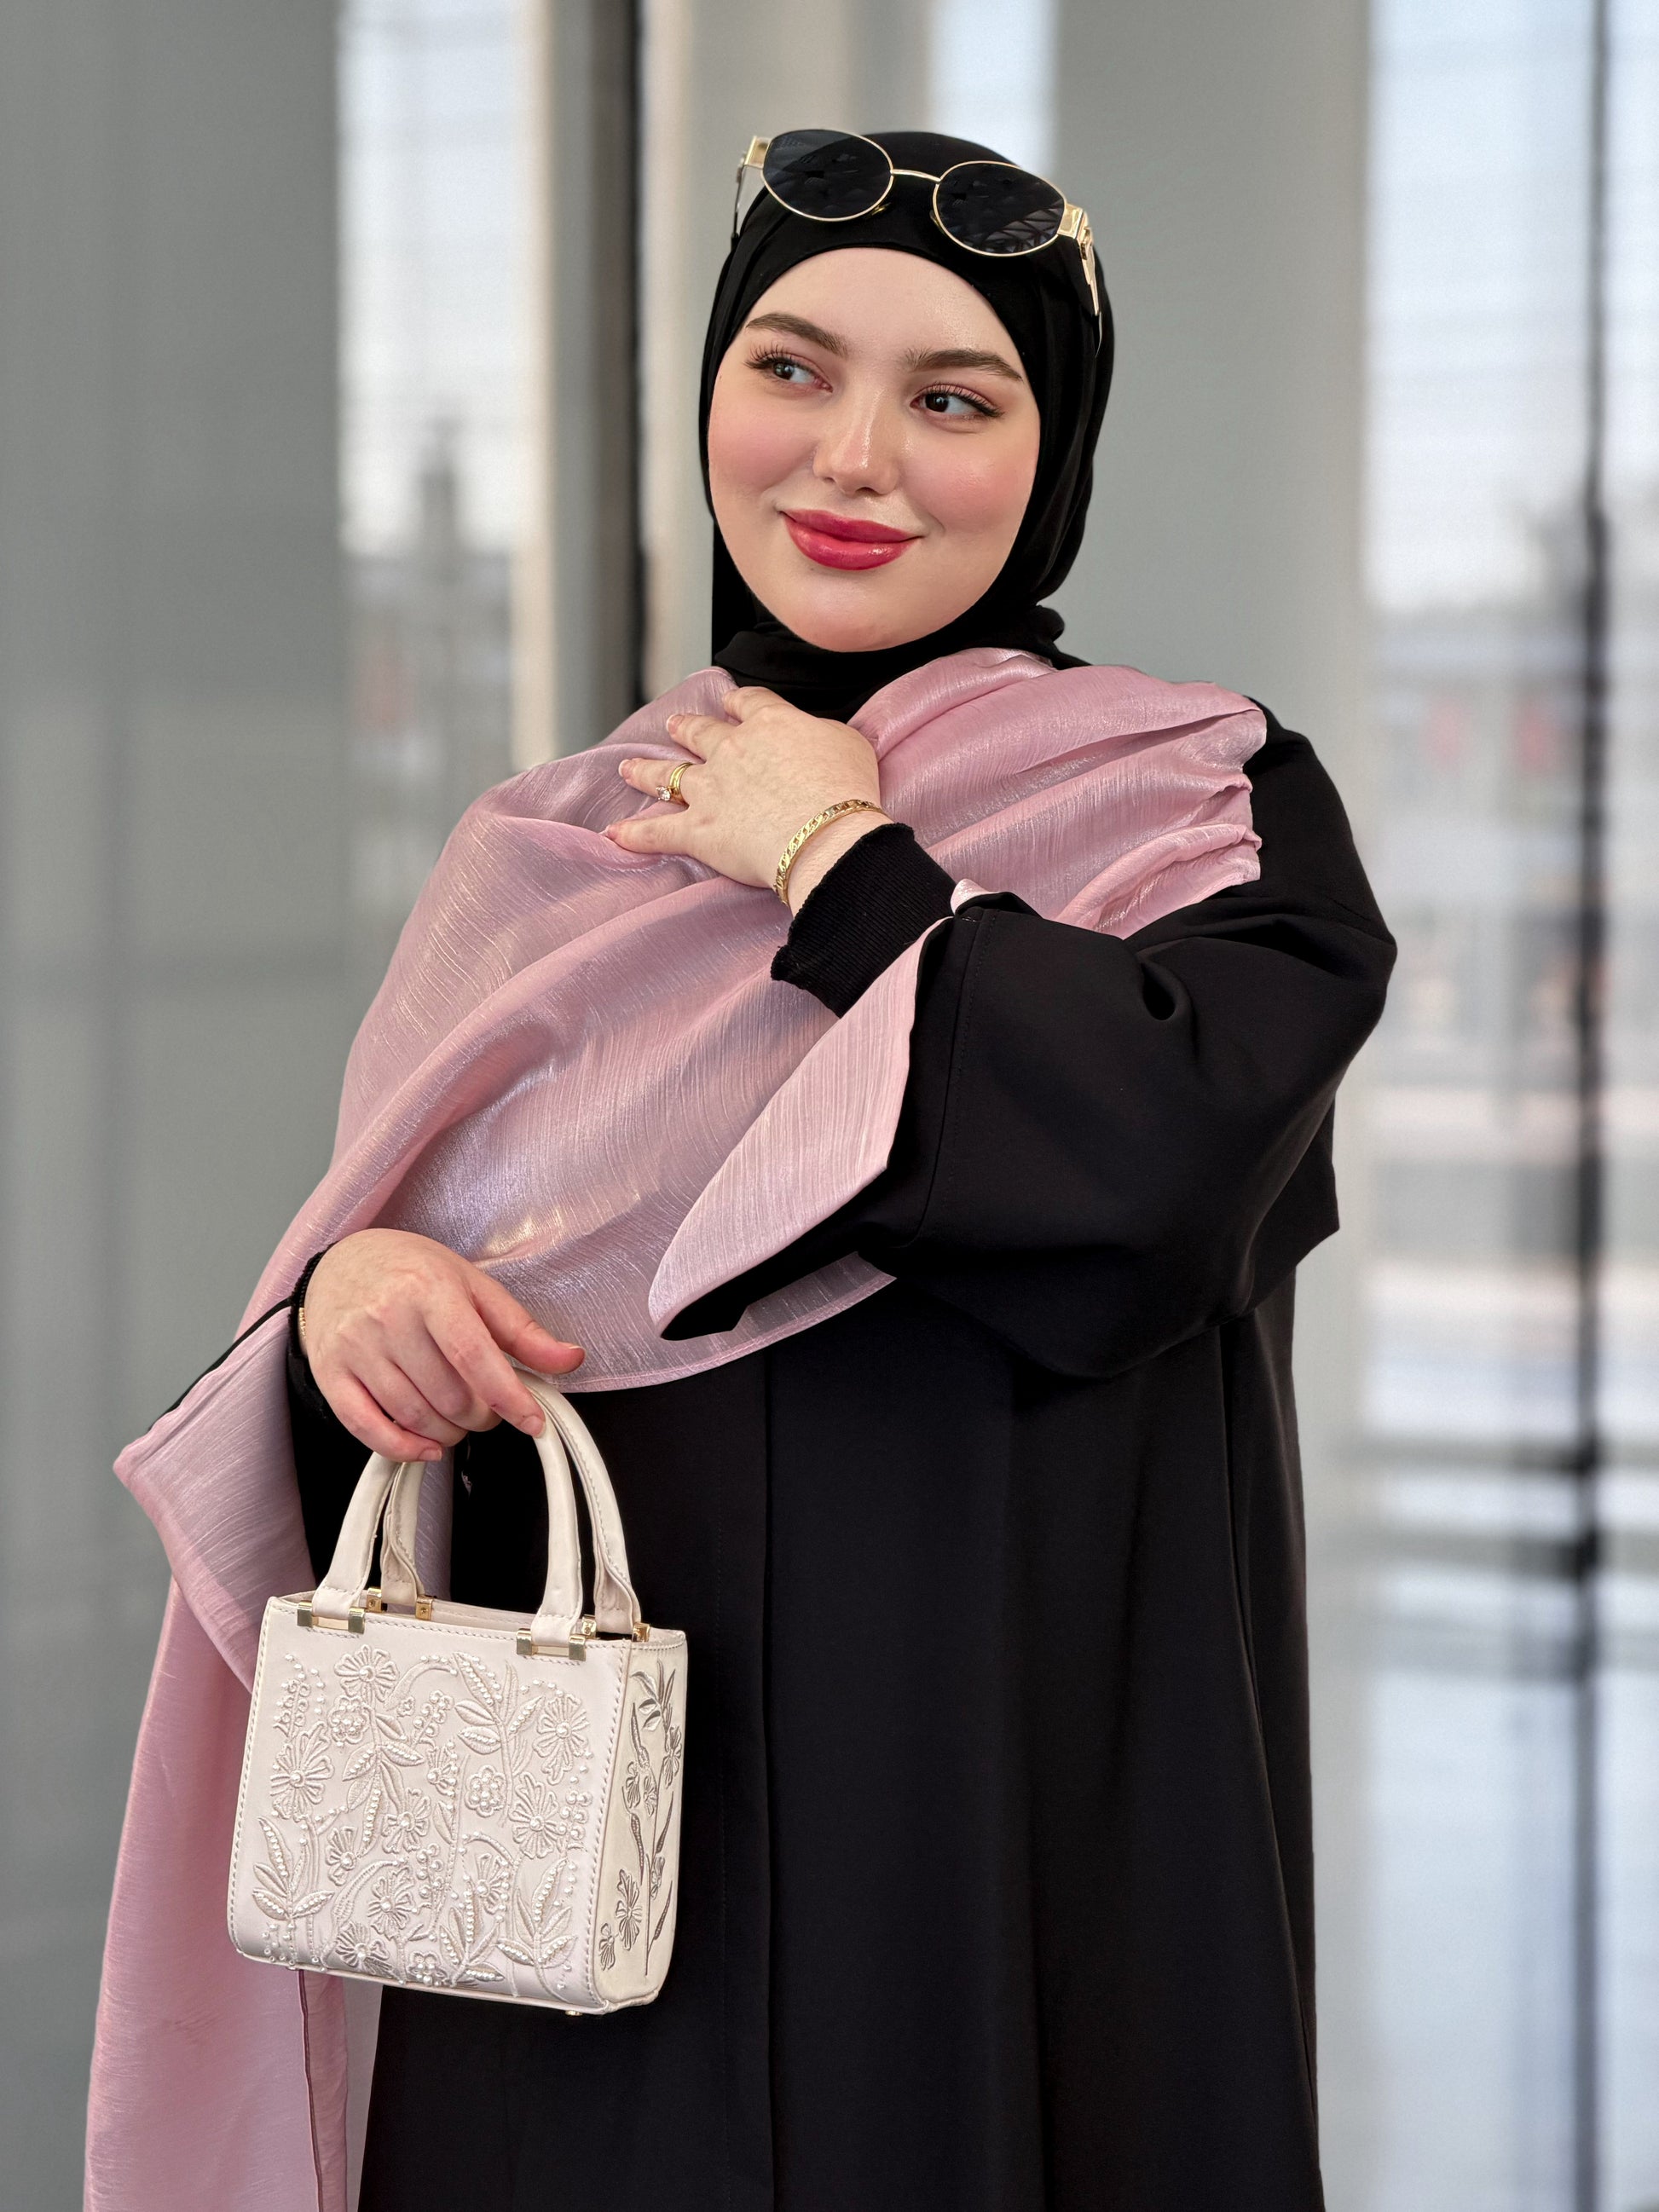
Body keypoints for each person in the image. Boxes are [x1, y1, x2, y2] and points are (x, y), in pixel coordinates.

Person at [88, 130, 1393, 2212]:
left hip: (995, 1838)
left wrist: (842, 866)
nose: (851, 458)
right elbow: (391, 1278)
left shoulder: (1197, 799)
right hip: (576, 1893)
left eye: (952, 397)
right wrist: (351, 1308)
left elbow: (1161, 1174)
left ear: (1052, 453)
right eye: (789, 368)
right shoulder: (553, 843)